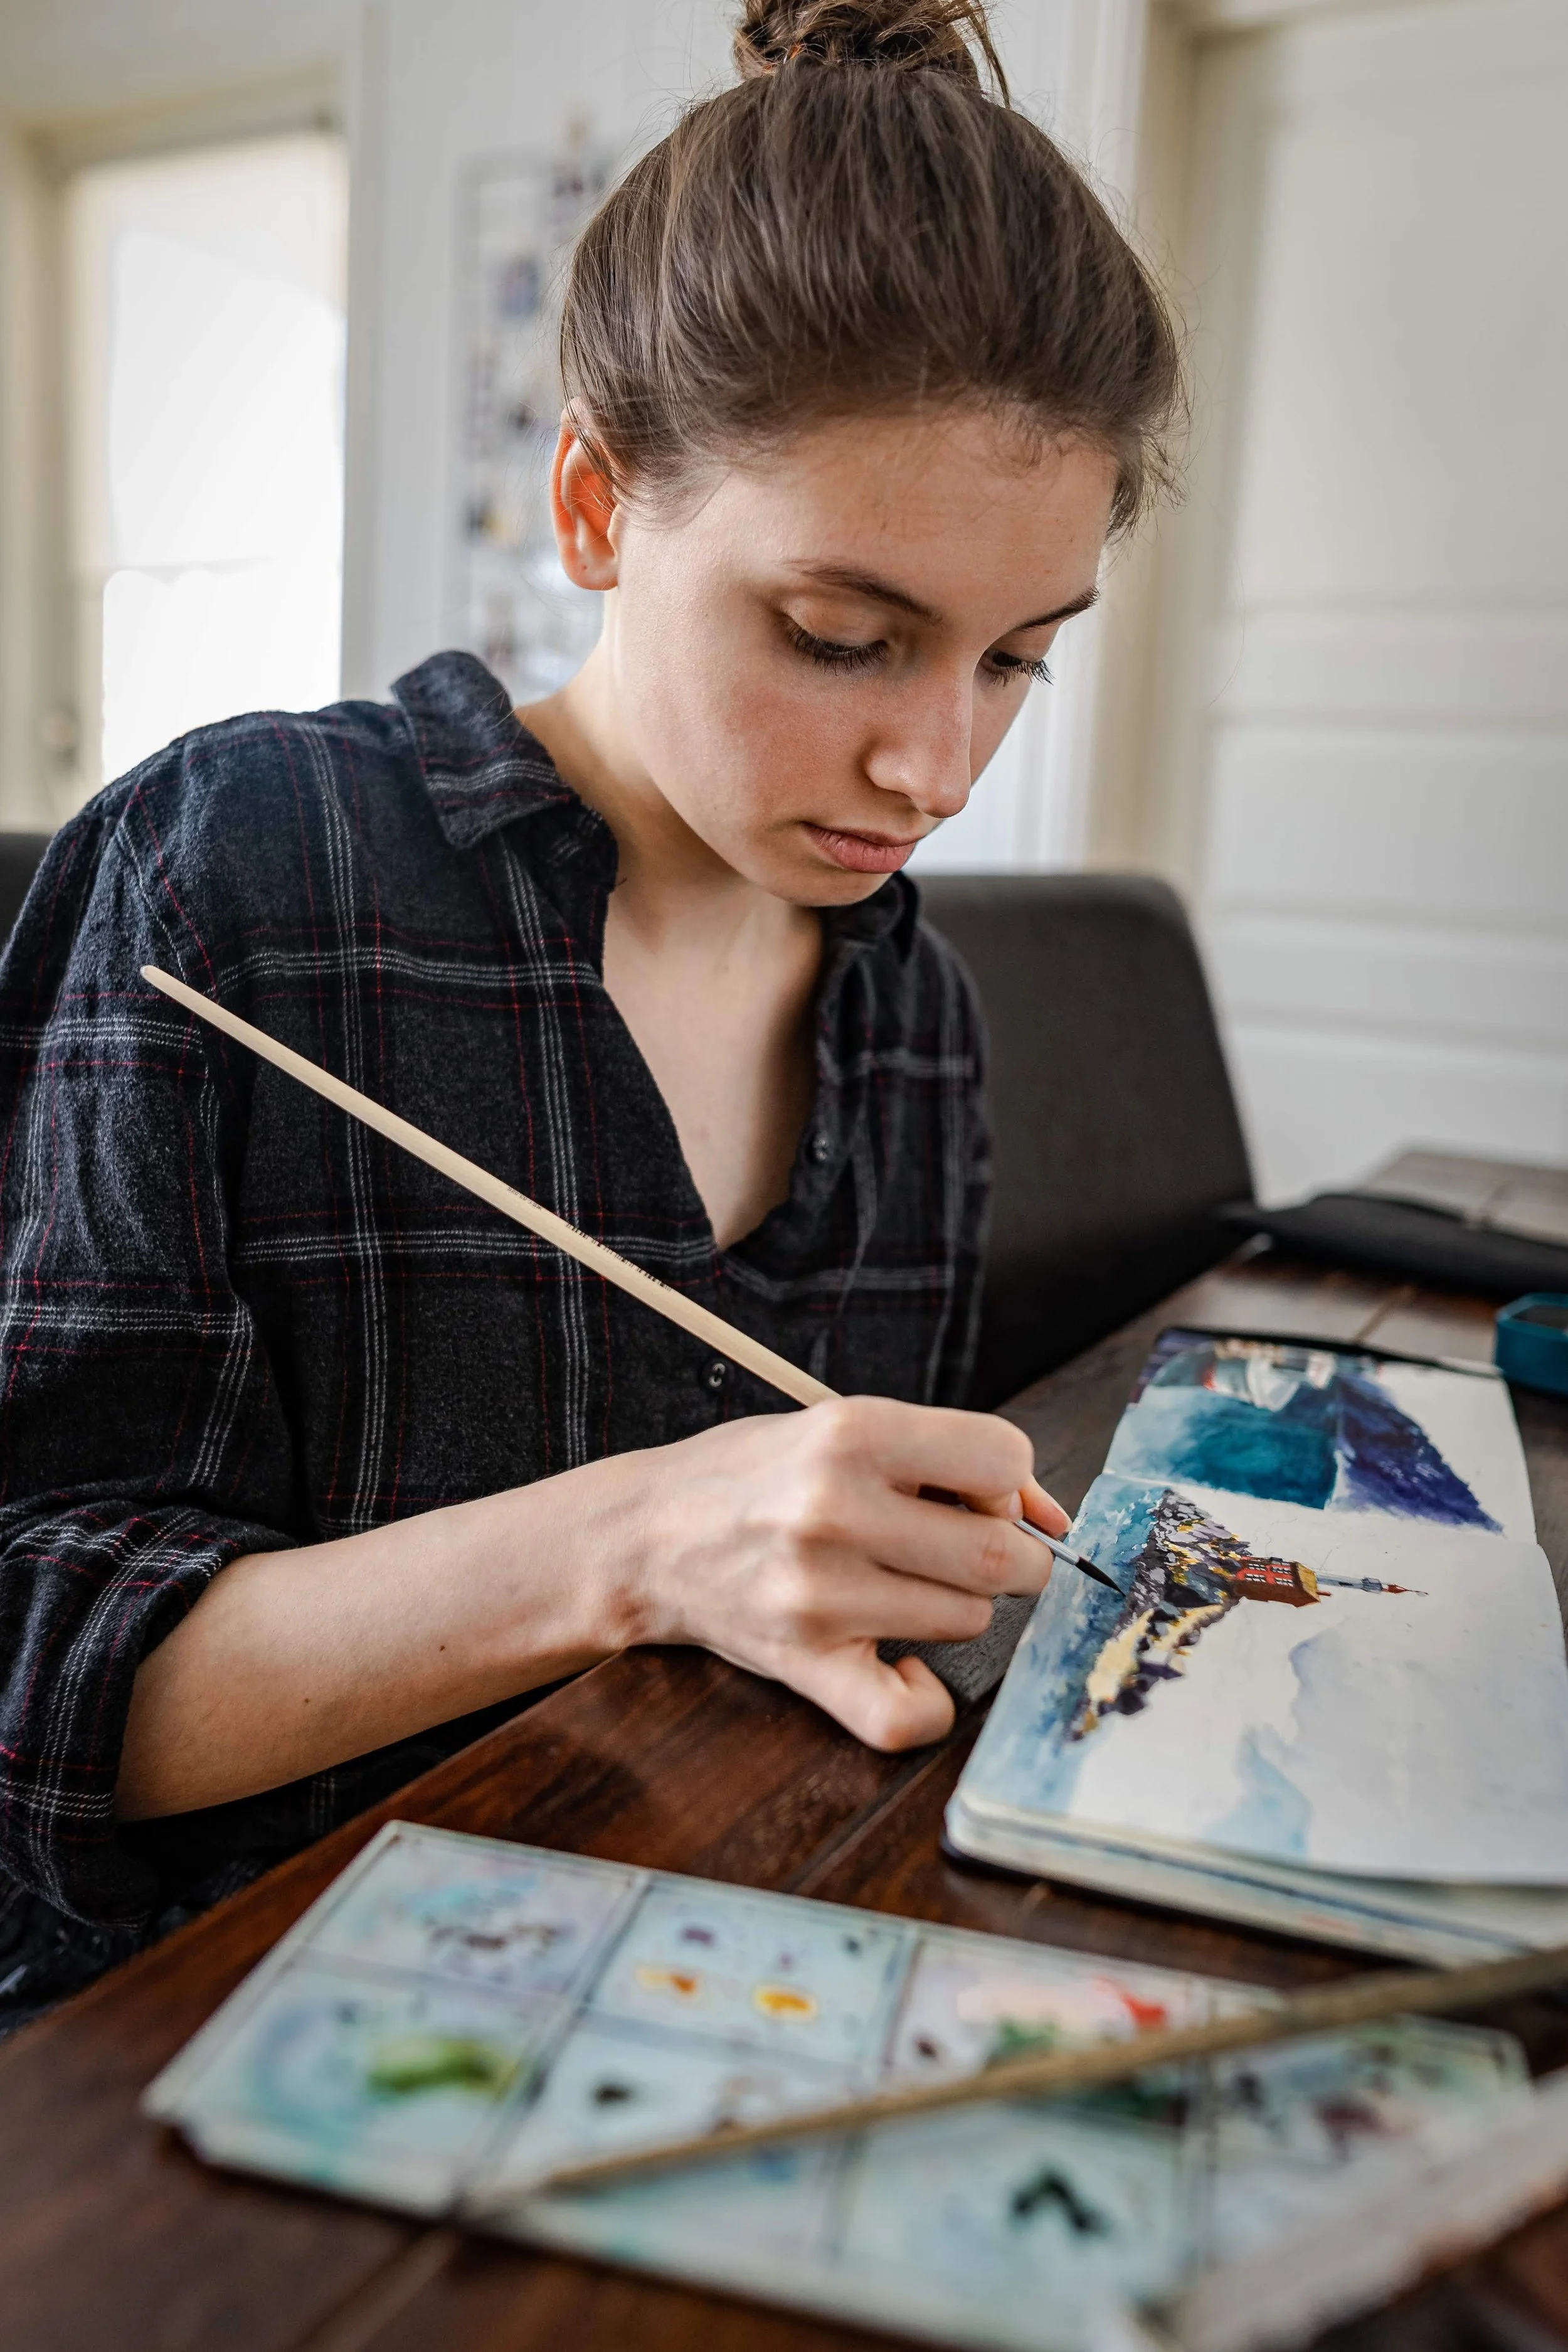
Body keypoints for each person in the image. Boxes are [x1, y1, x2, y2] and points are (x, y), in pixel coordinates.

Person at [0, 0, 1180, 2030]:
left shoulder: (916, 1021)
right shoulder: (250, 879)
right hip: (209, 2054)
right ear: (593, 505)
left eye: (1017, 661)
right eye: (840, 636)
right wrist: (638, 1537)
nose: (936, 765)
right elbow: (30, 1673)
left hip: (709, 1987)